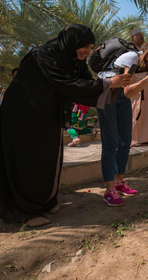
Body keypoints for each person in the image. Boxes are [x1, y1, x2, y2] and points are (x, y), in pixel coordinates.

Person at [0, 24, 131, 227]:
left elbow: (86, 81)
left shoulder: (72, 58)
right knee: (28, 161)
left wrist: (110, 83)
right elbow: (66, 85)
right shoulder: (44, 55)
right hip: (23, 115)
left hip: (47, 115)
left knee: (49, 158)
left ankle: (44, 202)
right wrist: (108, 83)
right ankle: (24, 210)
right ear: (73, 42)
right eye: (85, 47)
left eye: (91, 48)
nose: (88, 52)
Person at [97, 43, 148, 207]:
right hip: (107, 92)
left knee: (125, 140)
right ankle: (109, 190)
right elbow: (127, 91)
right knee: (111, 142)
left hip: (121, 98)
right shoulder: (132, 58)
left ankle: (119, 182)